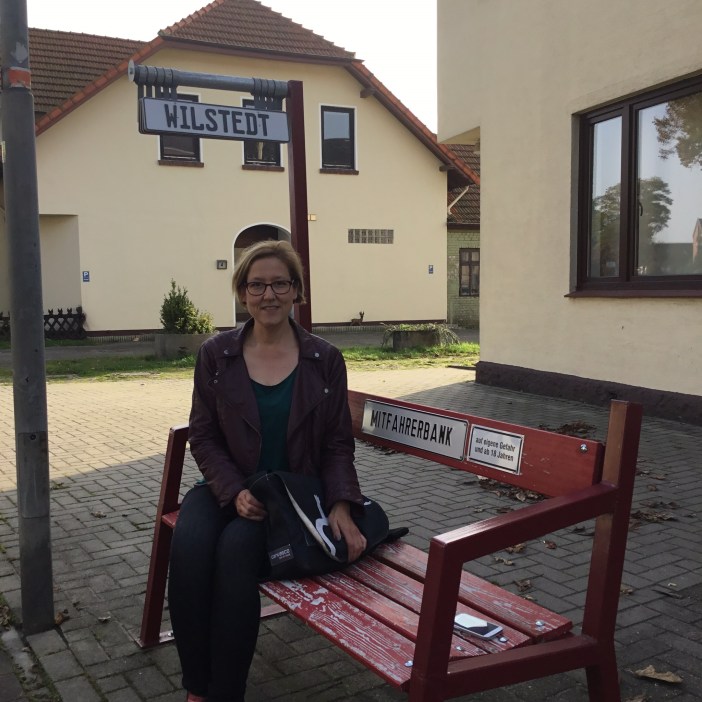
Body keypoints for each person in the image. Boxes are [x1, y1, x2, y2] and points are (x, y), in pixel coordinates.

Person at [168, 240, 367, 702]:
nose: (269, 294)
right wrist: (233, 490)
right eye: (257, 285)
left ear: (296, 290)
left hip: (286, 497)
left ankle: (226, 692)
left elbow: (338, 442)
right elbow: (203, 433)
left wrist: (341, 503)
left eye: (280, 283)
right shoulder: (217, 354)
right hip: (226, 485)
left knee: (236, 552)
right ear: (242, 293)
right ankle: (197, 686)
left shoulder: (324, 360)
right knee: (190, 546)